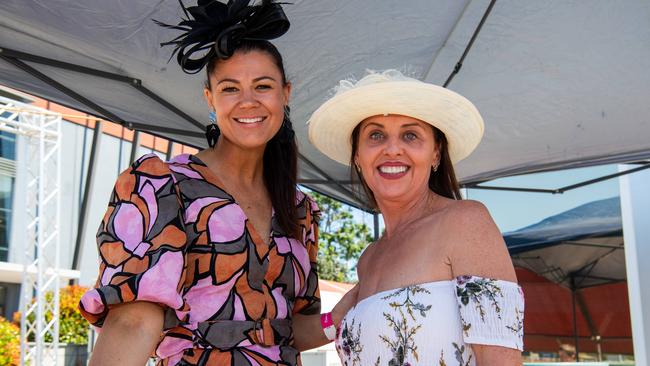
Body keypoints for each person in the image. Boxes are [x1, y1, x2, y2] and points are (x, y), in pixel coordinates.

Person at [78, 1, 355, 365]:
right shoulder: (163, 187)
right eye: (230, 88)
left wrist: (355, 303)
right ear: (210, 99)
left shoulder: (299, 210)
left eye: (263, 85)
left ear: (285, 93)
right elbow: (132, 322)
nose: (248, 101)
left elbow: (286, 331)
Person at [308, 70, 525, 365]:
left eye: (410, 135)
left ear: (436, 153)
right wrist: (331, 321)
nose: (393, 148)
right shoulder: (369, 258)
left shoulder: (465, 222)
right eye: (376, 135)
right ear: (357, 156)